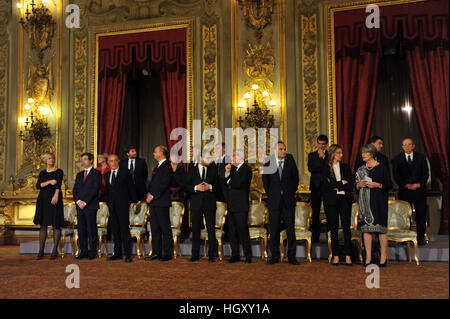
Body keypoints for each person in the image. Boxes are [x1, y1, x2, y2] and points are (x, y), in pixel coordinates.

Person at [262, 141, 300, 265]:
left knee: (290, 229)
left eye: (284, 149)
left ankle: (292, 256)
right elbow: (266, 183)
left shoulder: (290, 161)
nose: (284, 151)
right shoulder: (268, 162)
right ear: (275, 151)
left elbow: (296, 179)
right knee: (273, 230)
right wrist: (274, 195)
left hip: (288, 201)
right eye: (281, 149)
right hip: (274, 202)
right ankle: (274, 256)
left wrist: (289, 192)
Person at [355, 144, 392, 267]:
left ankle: (383, 257)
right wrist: (358, 185)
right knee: (367, 231)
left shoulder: (382, 168)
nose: (362, 155)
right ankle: (368, 258)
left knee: (381, 231)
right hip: (365, 204)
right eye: (362, 153)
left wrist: (378, 185)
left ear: (371, 154)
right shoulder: (360, 169)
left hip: (379, 203)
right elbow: (355, 187)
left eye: (364, 153)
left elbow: (389, 185)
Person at [392, 138, 429, 245]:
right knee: (404, 216)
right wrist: (405, 185)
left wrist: (419, 184)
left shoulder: (421, 157)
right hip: (405, 191)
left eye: (409, 144)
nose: (407, 147)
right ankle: (404, 238)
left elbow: (426, 174)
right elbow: (396, 176)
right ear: (402, 146)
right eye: (404, 145)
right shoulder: (397, 159)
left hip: (419, 191)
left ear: (413, 146)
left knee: (421, 214)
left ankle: (420, 238)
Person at [322, 144, 354, 266]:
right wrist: (341, 182)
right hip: (331, 201)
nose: (341, 155)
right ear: (332, 154)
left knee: (346, 228)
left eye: (341, 152)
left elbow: (350, 184)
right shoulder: (325, 168)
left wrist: (335, 185)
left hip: (344, 199)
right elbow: (325, 186)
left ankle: (347, 255)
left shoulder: (345, 167)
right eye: (338, 153)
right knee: (333, 228)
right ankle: (335, 255)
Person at [185, 150, 219, 262]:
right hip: (196, 204)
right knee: (195, 230)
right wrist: (196, 188)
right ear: (200, 158)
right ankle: (195, 254)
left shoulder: (213, 170)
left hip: (210, 203)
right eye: (207, 157)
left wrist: (211, 187)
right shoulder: (192, 169)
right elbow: (186, 186)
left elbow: (219, 186)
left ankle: (212, 255)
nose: (210, 159)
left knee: (211, 229)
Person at [104, 154, 137, 263]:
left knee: (124, 230)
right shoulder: (106, 174)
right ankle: (117, 253)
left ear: (118, 161)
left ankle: (128, 254)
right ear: (108, 163)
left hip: (123, 205)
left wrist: (133, 201)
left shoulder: (125, 172)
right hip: (112, 206)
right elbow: (108, 191)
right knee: (115, 230)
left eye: (114, 161)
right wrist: (108, 203)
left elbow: (131, 187)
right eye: (111, 161)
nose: (113, 163)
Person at [145, 145, 174, 261]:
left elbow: (164, 184)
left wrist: (152, 195)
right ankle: (156, 253)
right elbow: (154, 183)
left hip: (161, 202)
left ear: (161, 153)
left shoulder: (167, 165)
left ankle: (167, 253)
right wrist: (149, 193)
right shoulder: (158, 166)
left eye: (155, 152)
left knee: (165, 228)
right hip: (154, 203)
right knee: (155, 228)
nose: (153, 154)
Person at [33, 153, 65, 260]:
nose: (52, 160)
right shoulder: (42, 173)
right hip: (43, 200)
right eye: (49, 159)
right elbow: (38, 185)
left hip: (54, 199)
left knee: (56, 225)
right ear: (45, 161)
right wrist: (49, 182)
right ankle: (41, 251)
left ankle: (54, 250)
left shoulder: (59, 172)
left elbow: (58, 185)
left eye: (53, 158)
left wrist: (55, 195)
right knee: (43, 225)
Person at [224, 149, 253, 264]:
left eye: (233, 155)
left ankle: (248, 256)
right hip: (231, 205)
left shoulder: (246, 169)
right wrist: (227, 175)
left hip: (241, 206)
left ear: (240, 157)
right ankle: (235, 254)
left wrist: (230, 181)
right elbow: (226, 182)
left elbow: (238, 184)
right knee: (232, 231)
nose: (231, 158)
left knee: (242, 231)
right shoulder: (233, 169)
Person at [73, 152, 102, 260]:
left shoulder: (96, 174)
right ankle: (83, 251)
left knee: (91, 229)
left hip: (90, 206)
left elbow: (95, 190)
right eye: (82, 159)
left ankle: (92, 251)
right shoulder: (79, 175)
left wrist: (85, 202)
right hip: (79, 206)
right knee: (81, 229)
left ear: (91, 160)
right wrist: (78, 201)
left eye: (85, 159)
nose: (83, 161)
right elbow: (75, 190)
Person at [307, 134, 329, 242]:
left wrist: (324, 158)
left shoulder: (330, 156)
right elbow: (311, 168)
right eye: (319, 144)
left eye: (323, 144)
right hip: (315, 187)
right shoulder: (311, 155)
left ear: (326, 145)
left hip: (327, 187)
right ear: (317, 143)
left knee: (329, 211)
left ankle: (330, 236)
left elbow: (329, 169)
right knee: (315, 213)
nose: (321, 146)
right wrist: (322, 163)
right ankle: (315, 238)